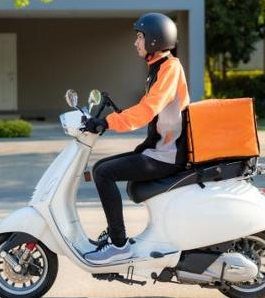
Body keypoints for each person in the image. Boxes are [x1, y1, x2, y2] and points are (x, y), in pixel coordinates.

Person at [82, 12, 191, 265]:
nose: (136, 42)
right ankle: (115, 237)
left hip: (167, 155)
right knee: (100, 168)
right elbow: (146, 106)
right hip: (159, 150)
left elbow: (148, 109)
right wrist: (108, 118)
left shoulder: (170, 68)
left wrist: (108, 122)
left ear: (154, 40)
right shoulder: (159, 68)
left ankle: (119, 245)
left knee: (103, 173)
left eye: (139, 37)